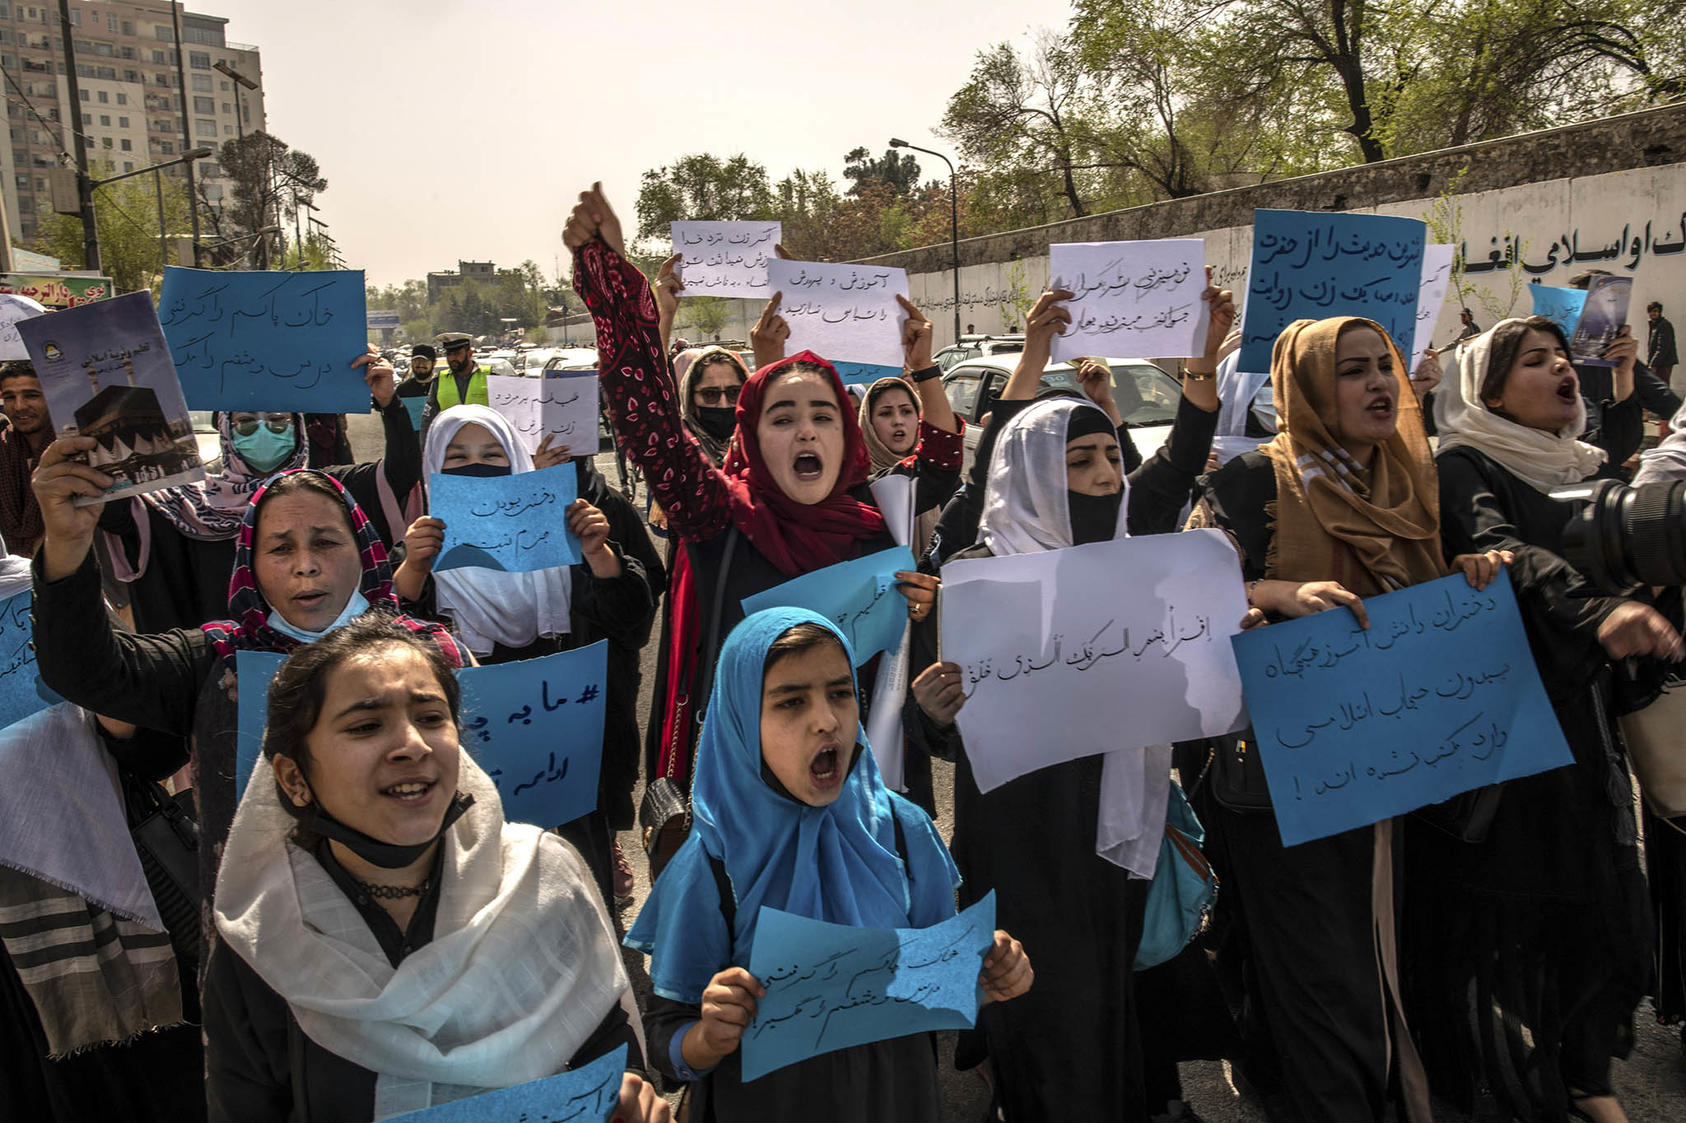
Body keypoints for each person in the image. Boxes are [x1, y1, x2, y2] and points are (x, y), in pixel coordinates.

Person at [1183, 317, 1504, 1123]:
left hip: (1405, 763)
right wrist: (1276, 594)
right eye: (1351, 371)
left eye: (1383, 367)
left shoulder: (1413, 479)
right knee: (1323, 973)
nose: (1378, 385)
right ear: (1307, 390)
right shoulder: (1258, 480)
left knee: (1392, 956)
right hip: (1294, 775)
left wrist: (1468, 566)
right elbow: (1183, 588)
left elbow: (1447, 578)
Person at [564, 184, 946, 835]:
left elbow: (902, 694)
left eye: (822, 415)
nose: (804, 431)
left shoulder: (871, 528)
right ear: (750, 436)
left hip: (855, 818)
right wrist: (619, 287)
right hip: (742, 821)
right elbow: (648, 415)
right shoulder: (720, 518)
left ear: (846, 438)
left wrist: (922, 613)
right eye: (782, 415)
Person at [202, 616, 665, 1122]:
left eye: (430, 717)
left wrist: (629, 1096)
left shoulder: (542, 879)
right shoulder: (266, 941)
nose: (413, 745)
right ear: (294, 777)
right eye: (365, 726)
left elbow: (609, 1048)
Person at [1415, 313, 1681, 1123]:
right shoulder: (1461, 464)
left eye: (1562, 357)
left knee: (1611, 916)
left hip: (1582, 718)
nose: (1562, 369)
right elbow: (1506, 553)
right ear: (1488, 392)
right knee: (1510, 913)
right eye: (1535, 361)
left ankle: (1586, 1071)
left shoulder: (1585, 463)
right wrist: (1594, 612)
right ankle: (1532, 1084)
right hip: (1503, 730)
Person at [626, 608, 1031, 1120]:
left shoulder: (904, 832)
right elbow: (668, 1041)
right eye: (791, 702)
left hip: (898, 1099)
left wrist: (992, 975)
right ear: (741, 724)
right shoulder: (712, 865)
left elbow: (940, 980)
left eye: (840, 693)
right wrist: (709, 1035)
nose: (827, 719)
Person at [29, 458, 467, 922]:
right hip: (265, 936)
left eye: (325, 542)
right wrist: (69, 542)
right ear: (250, 564)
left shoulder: (433, 653)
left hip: (435, 923)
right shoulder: (217, 658)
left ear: (362, 549)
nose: (306, 567)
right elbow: (88, 672)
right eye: (280, 549)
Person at [394, 405, 663, 903]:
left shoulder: (562, 534)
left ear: (516, 458)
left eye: (493, 454)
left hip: (564, 724)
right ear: (434, 465)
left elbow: (630, 617)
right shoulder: (425, 548)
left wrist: (598, 554)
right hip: (474, 726)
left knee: (583, 859)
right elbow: (391, 631)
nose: (478, 467)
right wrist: (413, 565)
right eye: (458, 457)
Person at [0, 538, 206, 1123]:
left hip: (115, 882)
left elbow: (153, 752)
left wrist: (113, 707)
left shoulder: (41, 594)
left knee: (159, 1077)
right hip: (10, 942)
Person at [95, 349, 421, 633]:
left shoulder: (328, 494)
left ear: (297, 430)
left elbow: (401, 473)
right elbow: (116, 512)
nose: (263, 431)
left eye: (278, 421)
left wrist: (389, 404)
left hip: (319, 666)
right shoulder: (189, 506)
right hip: (225, 674)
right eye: (246, 423)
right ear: (226, 432)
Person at [856, 361, 962, 561]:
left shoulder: (944, 478)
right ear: (868, 423)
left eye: (906, 411)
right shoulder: (857, 482)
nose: (898, 421)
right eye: (885, 413)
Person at [0, 360, 52, 555]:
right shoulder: (4, 447)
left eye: (31, 396)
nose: (19, 406)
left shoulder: (76, 449)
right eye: (10, 397)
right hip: (13, 573)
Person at [1649, 300, 1679, 393]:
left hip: (1664, 363)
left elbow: (1662, 347)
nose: (1653, 313)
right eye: (1651, 311)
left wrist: (1653, 364)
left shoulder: (1664, 325)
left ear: (1660, 312)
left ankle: (1666, 407)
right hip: (1659, 362)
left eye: (1656, 311)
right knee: (1658, 387)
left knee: (1662, 386)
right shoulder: (1654, 325)